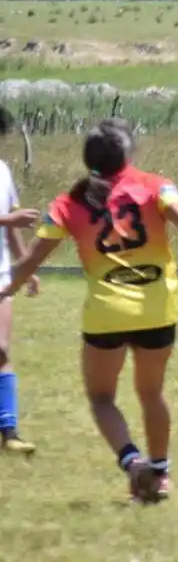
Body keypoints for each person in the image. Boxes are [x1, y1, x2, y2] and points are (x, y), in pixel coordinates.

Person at [0, 118, 178, 502]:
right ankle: (161, 472)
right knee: (152, 393)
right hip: (157, 309)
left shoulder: (69, 202)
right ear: (129, 153)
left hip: (105, 314)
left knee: (102, 398)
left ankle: (133, 463)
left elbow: (31, 259)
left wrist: (10, 288)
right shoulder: (157, 185)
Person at [0, 104, 40, 456]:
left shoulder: (2, 171)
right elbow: (9, 221)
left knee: (0, 349)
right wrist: (7, 222)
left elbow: (13, 224)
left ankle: (9, 431)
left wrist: (27, 267)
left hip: (0, 277)